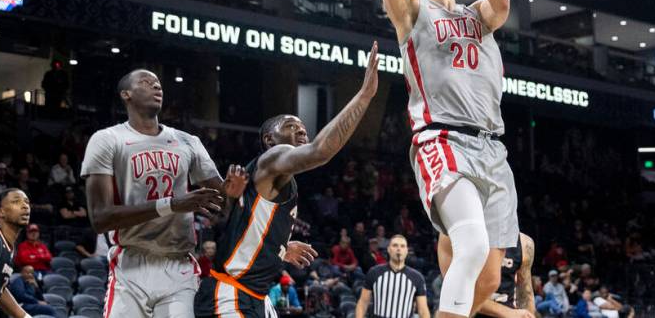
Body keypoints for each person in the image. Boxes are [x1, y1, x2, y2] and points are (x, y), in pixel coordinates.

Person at [348, 0, 518, 318]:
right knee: (467, 249)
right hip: (441, 140)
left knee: (485, 280)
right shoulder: (413, 13)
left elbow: (503, 4)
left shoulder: (478, 16)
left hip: (492, 148)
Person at [195, 43, 381, 318]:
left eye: (303, 128)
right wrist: (364, 96)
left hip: (252, 296)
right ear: (270, 139)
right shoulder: (272, 158)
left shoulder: (276, 181)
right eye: (291, 126)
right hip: (230, 295)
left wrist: (279, 249)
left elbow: (239, 228)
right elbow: (321, 151)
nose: (302, 131)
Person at [82, 69, 247, 318]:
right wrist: (171, 204)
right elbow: (99, 218)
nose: (156, 87)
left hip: (179, 263)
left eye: (158, 84)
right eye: (146, 82)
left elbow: (222, 201)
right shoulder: (107, 139)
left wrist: (232, 194)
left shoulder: (187, 141)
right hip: (131, 263)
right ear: (126, 94)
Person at [439, 232, 534, 318]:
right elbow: (455, 293)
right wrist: (506, 312)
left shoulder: (524, 243)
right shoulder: (453, 233)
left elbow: (525, 293)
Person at [356, 235, 430, 318]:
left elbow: (423, 310)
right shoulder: (374, 272)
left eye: (402, 246)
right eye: (395, 245)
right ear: (388, 249)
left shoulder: (417, 277)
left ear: (406, 251)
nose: (399, 249)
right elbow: (363, 303)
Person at [0, 189, 33, 318]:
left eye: (27, 202)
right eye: (16, 201)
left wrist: (24, 316)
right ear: (1, 211)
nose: (25, 206)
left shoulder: (8, 247)